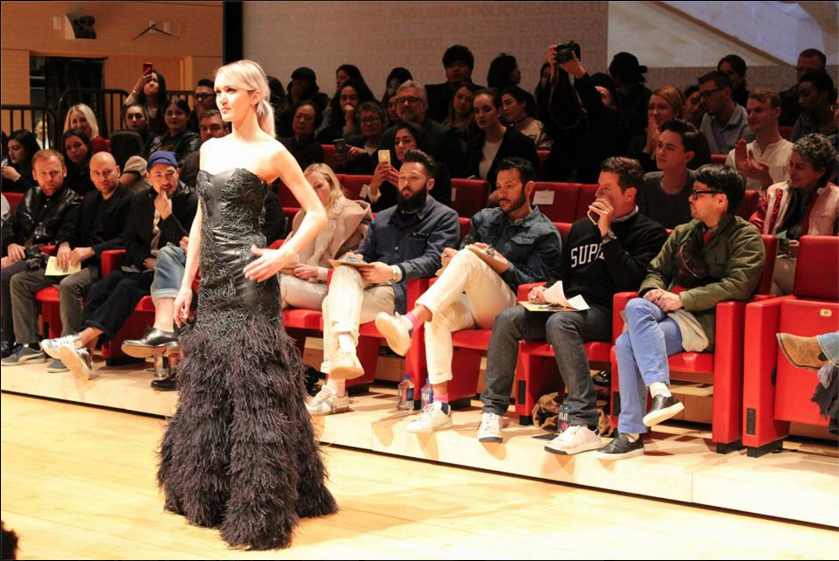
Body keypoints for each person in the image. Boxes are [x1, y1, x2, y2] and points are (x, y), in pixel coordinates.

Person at [163, 59, 336, 549]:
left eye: (232, 91)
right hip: (212, 284)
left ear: (255, 97)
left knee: (256, 391)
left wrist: (283, 256)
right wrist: (186, 282)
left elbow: (318, 212)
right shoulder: (210, 148)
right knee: (208, 386)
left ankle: (260, 507)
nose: (221, 99)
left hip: (249, 282)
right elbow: (201, 218)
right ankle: (208, 492)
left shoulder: (273, 151)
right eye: (218, 90)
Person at [479, 157, 668, 445]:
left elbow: (631, 282)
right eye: (598, 188)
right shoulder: (581, 228)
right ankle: (493, 411)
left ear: (630, 194)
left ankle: (584, 422)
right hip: (568, 305)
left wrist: (608, 234)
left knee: (560, 322)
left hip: (607, 312)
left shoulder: (650, 232)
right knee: (508, 318)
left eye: (607, 190)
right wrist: (546, 290)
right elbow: (561, 275)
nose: (598, 196)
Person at [375, 157, 562, 433]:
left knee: (471, 259)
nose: (502, 193)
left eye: (510, 186)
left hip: (510, 307)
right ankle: (439, 405)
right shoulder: (484, 218)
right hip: (473, 300)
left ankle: (409, 321)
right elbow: (463, 256)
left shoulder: (545, 232)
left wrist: (500, 262)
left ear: (529, 187)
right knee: (441, 307)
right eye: (499, 186)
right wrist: (450, 258)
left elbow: (534, 286)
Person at [597, 164, 765, 460]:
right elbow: (655, 271)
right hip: (665, 311)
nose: (690, 198)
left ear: (720, 199)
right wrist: (652, 290)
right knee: (636, 304)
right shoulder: (685, 232)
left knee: (625, 344)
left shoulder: (746, 238)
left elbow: (738, 285)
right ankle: (660, 392)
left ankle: (630, 433)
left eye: (698, 193)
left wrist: (684, 299)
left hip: (704, 320)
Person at [307, 149, 459, 416]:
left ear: (429, 184)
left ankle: (335, 390)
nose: (405, 184)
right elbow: (366, 254)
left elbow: (435, 261)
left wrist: (392, 272)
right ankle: (345, 352)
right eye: (402, 178)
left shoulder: (445, 217)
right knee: (343, 272)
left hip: (402, 294)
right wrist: (356, 260)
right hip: (368, 289)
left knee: (333, 304)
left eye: (413, 178)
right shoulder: (385, 217)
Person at [40, 150, 197, 380]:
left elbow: (187, 245)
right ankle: (84, 351)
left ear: (178, 173)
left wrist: (167, 217)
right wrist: (146, 260)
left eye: (170, 174)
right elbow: (130, 241)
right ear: (148, 177)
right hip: (144, 264)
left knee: (127, 287)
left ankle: (80, 340)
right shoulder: (141, 199)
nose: (165, 181)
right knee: (102, 286)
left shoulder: (190, 200)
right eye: (158, 175)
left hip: (173, 271)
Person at [4, 152, 129, 371]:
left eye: (107, 172)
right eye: (97, 173)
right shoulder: (90, 198)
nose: (103, 178)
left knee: (68, 285)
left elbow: (127, 239)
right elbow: (72, 232)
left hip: (102, 263)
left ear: (118, 171)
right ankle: (30, 345)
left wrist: (90, 250)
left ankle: (69, 348)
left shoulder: (131, 198)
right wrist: (65, 244)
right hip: (73, 259)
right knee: (20, 281)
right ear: (90, 175)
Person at [1, 150, 81, 359]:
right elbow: (10, 224)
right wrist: (10, 245)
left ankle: (9, 340)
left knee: (6, 276)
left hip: (46, 261)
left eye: (54, 172)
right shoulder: (31, 194)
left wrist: (21, 253)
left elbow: (62, 240)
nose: (49, 178)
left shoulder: (72, 201)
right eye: (43, 173)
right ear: (34, 175)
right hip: (22, 256)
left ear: (64, 171)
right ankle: (14, 339)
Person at [750, 134, 838, 294]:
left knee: (762, 265)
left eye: (799, 167)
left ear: (820, 171)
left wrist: (807, 251)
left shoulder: (837, 199)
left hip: (817, 272)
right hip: (778, 268)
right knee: (768, 288)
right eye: (790, 165)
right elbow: (753, 232)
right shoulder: (774, 193)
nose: (791, 172)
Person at [281, 163, 371, 310]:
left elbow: (360, 266)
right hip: (301, 283)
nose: (313, 193)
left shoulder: (352, 214)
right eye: (308, 189)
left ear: (332, 186)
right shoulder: (301, 216)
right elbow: (285, 254)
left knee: (277, 285)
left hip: (334, 290)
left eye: (319, 186)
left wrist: (319, 273)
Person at [626, 85, 711, 173]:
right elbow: (631, 177)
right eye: (651, 107)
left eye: (662, 107)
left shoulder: (695, 139)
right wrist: (647, 149)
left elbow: (689, 176)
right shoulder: (637, 142)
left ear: (676, 112)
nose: (654, 112)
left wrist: (657, 148)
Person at [464, 88, 539, 188]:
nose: (481, 115)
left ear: (499, 111)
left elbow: (530, 181)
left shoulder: (522, 143)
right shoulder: (473, 145)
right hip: (479, 201)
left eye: (487, 109)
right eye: (476, 111)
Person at [726, 89, 793, 191]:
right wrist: (740, 177)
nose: (751, 116)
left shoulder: (794, 154)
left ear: (776, 112)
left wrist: (766, 180)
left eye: (758, 110)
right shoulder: (735, 155)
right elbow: (727, 200)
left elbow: (790, 200)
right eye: (749, 111)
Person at [639, 119, 701, 229]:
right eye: (659, 145)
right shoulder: (647, 182)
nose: (660, 152)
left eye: (670, 148)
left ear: (688, 156)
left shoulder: (700, 185)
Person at [365, 121, 428, 212]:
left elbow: (437, 210)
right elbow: (375, 213)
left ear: (419, 143)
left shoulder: (437, 171)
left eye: (406, 141)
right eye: (396, 142)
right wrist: (374, 187)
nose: (400, 146)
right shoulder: (390, 172)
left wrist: (406, 188)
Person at [698, 71, 752, 155]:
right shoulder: (707, 118)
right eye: (701, 96)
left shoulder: (747, 123)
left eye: (708, 94)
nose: (702, 101)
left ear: (726, 93)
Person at [426, 45, 481, 123]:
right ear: (446, 71)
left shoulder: (481, 93)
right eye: (451, 66)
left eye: (461, 65)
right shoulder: (432, 94)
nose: (456, 69)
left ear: (470, 70)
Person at [146, 98, 202, 165]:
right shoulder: (158, 140)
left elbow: (185, 164)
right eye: (169, 113)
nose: (174, 117)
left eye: (179, 113)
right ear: (164, 117)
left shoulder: (193, 140)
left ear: (188, 116)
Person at [336, 101, 386, 176]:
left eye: (372, 119)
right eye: (364, 120)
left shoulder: (389, 144)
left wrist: (365, 155)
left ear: (382, 121)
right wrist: (344, 163)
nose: (368, 124)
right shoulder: (354, 144)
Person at [780, 49, 827, 127]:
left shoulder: (833, 100)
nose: (804, 74)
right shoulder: (782, 100)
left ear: (822, 72)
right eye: (800, 69)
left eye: (809, 70)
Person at [501, 86, 552, 150]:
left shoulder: (541, 129)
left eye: (508, 103)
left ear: (523, 103)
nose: (504, 108)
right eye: (502, 105)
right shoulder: (505, 132)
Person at [791, 71, 837, 141]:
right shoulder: (803, 120)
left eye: (805, 94)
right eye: (799, 96)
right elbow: (793, 149)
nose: (800, 101)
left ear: (823, 94)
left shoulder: (837, 118)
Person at [280, 100, 324, 171]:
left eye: (308, 118)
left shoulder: (315, 150)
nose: (301, 121)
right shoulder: (285, 144)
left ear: (315, 124)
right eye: (298, 116)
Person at [125, 69, 169, 135]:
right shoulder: (138, 107)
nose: (151, 83)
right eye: (148, 81)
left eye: (155, 81)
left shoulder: (167, 106)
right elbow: (126, 106)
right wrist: (138, 85)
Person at [2, 129, 40, 193]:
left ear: (28, 149)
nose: (10, 153)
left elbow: (36, 195)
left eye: (15, 148)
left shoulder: (40, 168)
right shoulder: (11, 167)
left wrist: (16, 177)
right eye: (9, 149)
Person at [443, 82, 480, 147]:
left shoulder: (476, 128)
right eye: (459, 97)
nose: (462, 102)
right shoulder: (443, 126)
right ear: (453, 98)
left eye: (468, 100)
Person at [61, 129, 95, 196]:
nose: (73, 150)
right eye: (68, 148)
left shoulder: (96, 167)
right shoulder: (64, 171)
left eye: (77, 145)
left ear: (87, 146)